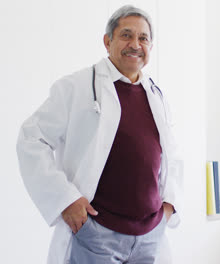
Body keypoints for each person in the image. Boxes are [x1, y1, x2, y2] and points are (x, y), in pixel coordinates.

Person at [16, 5, 182, 264]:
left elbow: (171, 154)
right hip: (97, 233)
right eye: (126, 35)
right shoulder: (77, 86)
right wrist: (65, 200)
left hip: (150, 235)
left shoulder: (156, 94)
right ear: (108, 41)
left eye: (143, 38)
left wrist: (169, 205)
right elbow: (31, 139)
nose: (135, 44)